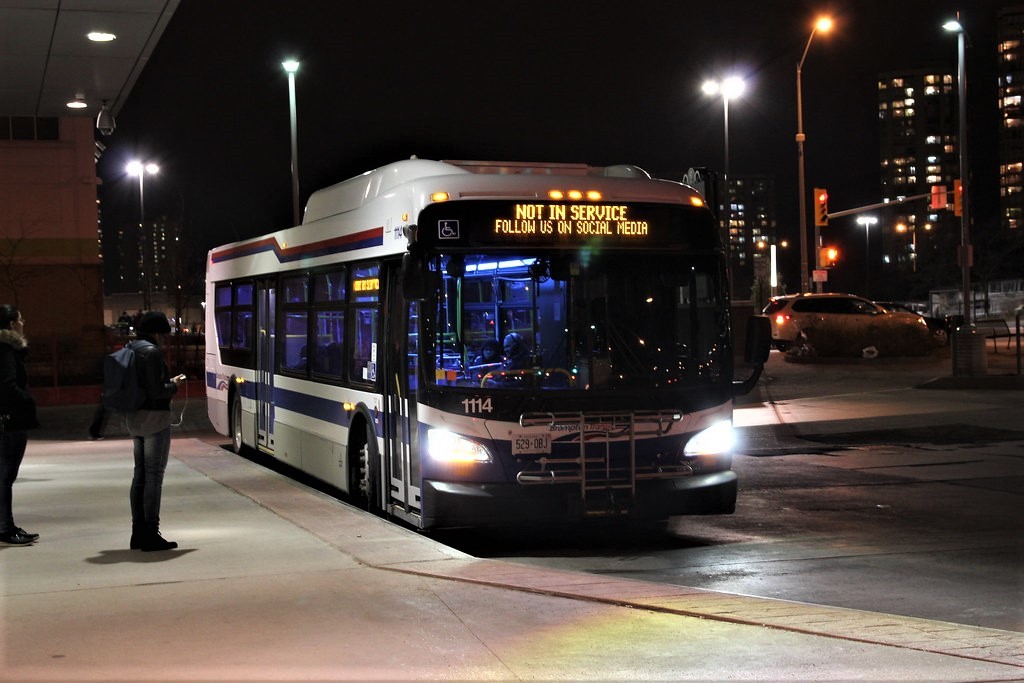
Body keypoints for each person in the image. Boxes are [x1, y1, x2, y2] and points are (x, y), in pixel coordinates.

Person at [125, 311, 185, 552]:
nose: (164, 339)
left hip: (134, 417)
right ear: (157, 332)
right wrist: (174, 384)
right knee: (153, 475)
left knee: (139, 474)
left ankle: (137, 532)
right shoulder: (151, 352)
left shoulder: (130, 347)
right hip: (155, 419)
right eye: (164, 334)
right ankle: (151, 531)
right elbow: (156, 391)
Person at [0, 305, 40, 546]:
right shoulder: (6, 350)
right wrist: (28, 401)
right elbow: (8, 385)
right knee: (5, 476)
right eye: (21, 318)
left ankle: (7, 525)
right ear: (12, 324)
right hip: (10, 421)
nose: (24, 322)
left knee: (5, 476)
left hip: (9, 419)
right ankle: (6, 527)